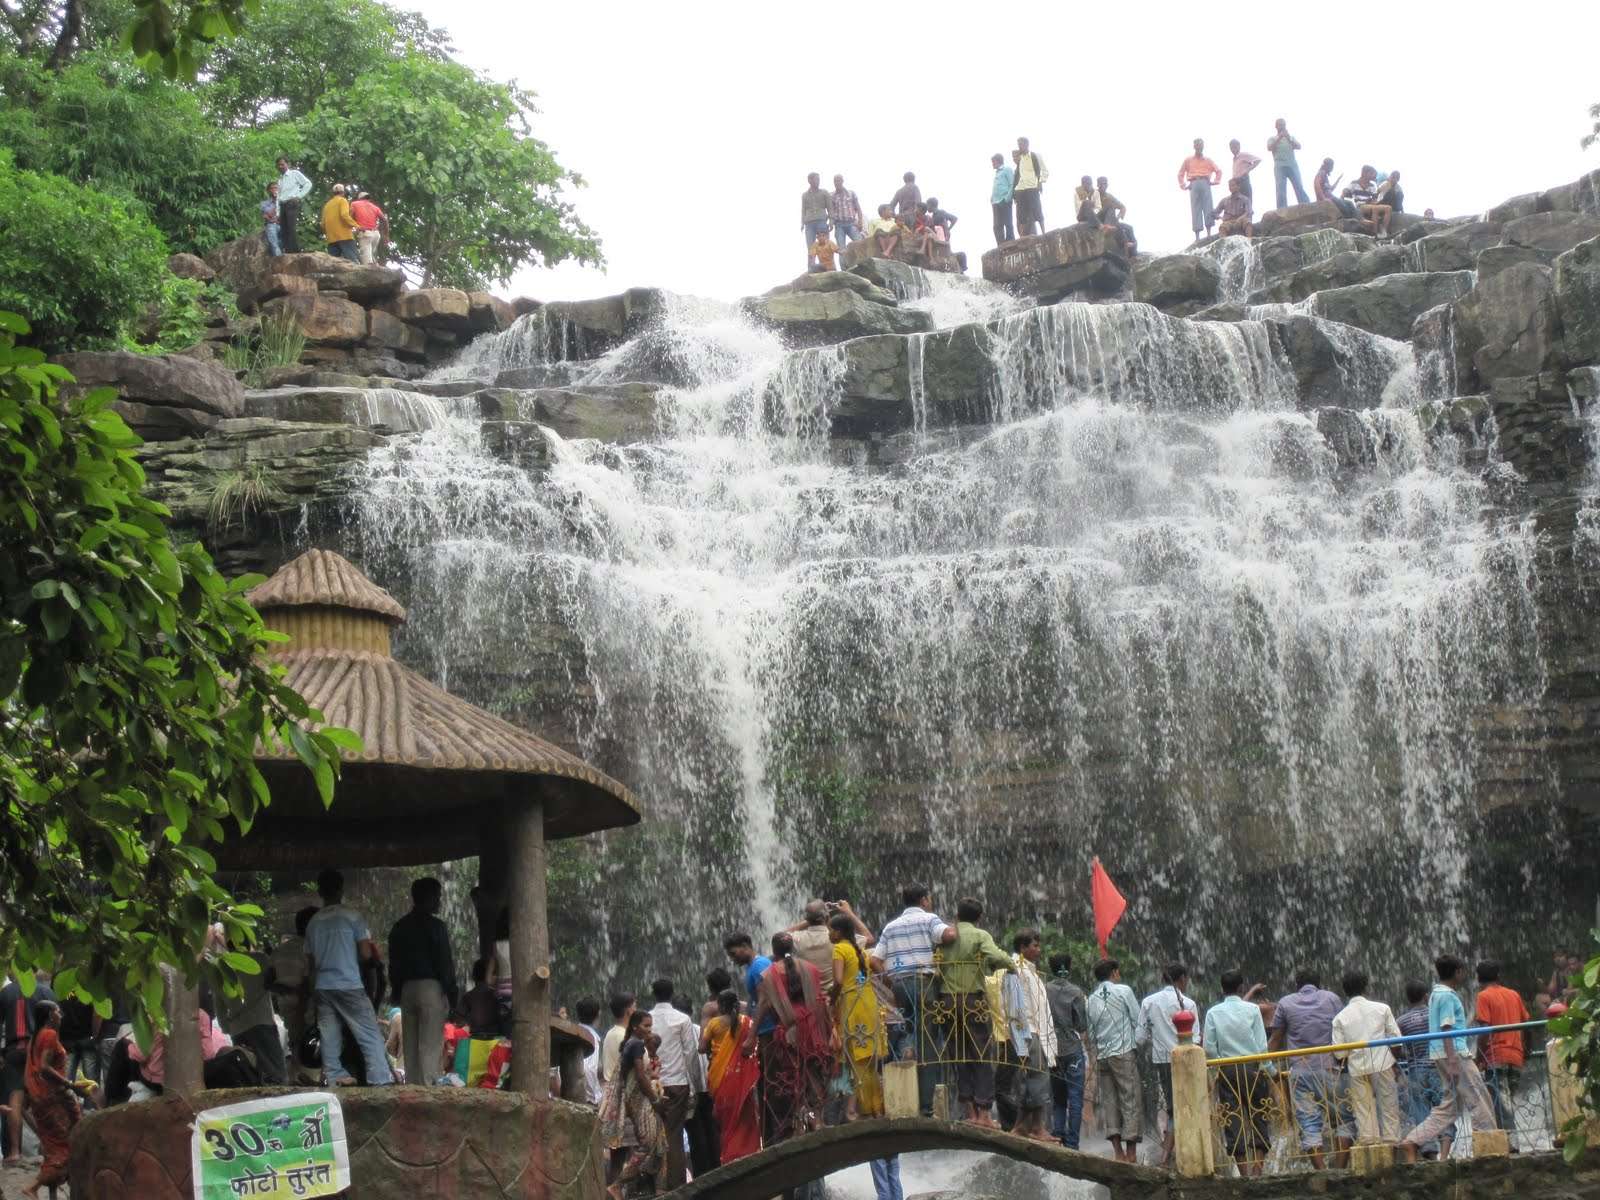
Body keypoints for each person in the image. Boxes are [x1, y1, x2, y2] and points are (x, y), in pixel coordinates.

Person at [1397, 955, 1500, 1163]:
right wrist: (1453, 1060)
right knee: (1479, 1097)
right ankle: (1489, 1148)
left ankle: (1412, 1140)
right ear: (1458, 972)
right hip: (1454, 1054)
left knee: (1448, 1107)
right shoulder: (1447, 996)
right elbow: (1446, 1027)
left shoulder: (1435, 993)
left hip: (1441, 1054)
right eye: (1463, 970)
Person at [871, 883, 956, 1117]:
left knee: (911, 1034)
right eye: (929, 899)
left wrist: (890, 984)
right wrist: (959, 926)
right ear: (924, 900)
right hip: (923, 983)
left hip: (900, 985)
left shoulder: (891, 926)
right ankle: (926, 1107)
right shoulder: (929, 919)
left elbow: (875, 961)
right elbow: (948, 935)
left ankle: (903, 1096)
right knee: (928, 1042)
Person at [305, 868, 392, 1086]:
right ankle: (380, 1078)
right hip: (348, 983)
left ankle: (335, 1077)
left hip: (323, 986)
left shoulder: (313, 922)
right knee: (369, 1032)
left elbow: (310, 963)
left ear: (320, 891)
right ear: (341, 889)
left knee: (330, 1034)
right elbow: (364, 953)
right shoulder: (352, 916)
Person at [746, 932, 834, 1143]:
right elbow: (821, 1000)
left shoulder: (769, 974)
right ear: (794, 947)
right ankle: (817, 1119)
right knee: (813, 1074)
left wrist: (751, 1037)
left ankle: (798, 1126)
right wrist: (831, 1030)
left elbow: (764, 1005)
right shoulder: (810, 969)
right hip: (813, 1030)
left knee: (792, 1080)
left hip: (787, 1033)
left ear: (773, 951)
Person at [934, 898, 1010, 1127]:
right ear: (979, 917)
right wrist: (1015, 966)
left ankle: (970, 1113)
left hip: (945, 1001)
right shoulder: (980, 935)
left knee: (959, 1055)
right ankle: (985, 1113)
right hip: (972, 1001)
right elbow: (997, 957)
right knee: (981, 1055)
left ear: (957, 915)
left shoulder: (945, 936)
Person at [1269, 968, 1352, 1170]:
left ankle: (1322, 1172)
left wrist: (1265, 1066)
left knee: (1308, 1122)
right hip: (1331, 1067)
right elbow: (1343, 1029)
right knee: (1344, 1118)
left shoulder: (1286, 1003)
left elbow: (1276, 1040)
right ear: (1318, 983)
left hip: (1301, 1072)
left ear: (1297, 985)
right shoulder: (1332, 999)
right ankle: (1340, 1171)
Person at [387, 876, 456, 1088]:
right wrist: (452, 993)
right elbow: (444, 963)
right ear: (429, 897)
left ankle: (413, 1088)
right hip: (430, 988)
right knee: (431, 1044)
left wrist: (397, 991)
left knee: (411, 1045)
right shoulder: (437, 927)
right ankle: (429, 1090)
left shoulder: (399, 927)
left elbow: (394, 964)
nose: (440, 901)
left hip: (407, 989)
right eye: (438, 897)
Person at [1204, 969, 1270, 1177]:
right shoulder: (1252, 1010)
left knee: (1232, 1118)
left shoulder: (1213, 1013)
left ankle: (1243, 1173)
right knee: (1259, 1114)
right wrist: (1271, 1070)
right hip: (1252, 1069)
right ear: (1242, 988)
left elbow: (1209, 1047)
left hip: (1228, 1070)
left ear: (1222, 989)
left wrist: (1219, 1064)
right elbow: (1261, 1046)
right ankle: (1258, 1168)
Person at [22, 1001, 90, 1199]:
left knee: (53, 1145)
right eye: (58, 1011)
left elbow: (34, 1069)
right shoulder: (50, 1035)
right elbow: (44, 1066)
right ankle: (34, 1186)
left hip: (40, 1098)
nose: (61, 1015)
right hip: (53, 1097)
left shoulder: (36, 1037)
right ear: (51, 1015)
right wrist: (70, 1085)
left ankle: (53, 1193)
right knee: (66, 1143)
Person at [1138, 964, 1201, 1166]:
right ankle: (1169, 1157)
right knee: (1186, 1106)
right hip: (1187, 1061)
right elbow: (1196, 1038)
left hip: (1163, 1061)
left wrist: (1156, 1037)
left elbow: (1139, 1037)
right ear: (1182, 978)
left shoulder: (1149, 1002)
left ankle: (1172, 1154)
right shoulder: (1188, 1003)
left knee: (1175, 1107)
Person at [1331, 970, 1402, 1145]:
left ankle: (1370, 1142)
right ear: (1366, 987)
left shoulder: (1339, 1018)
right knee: (1389, 1106)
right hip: (1383, 1064)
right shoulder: (1382, 1008)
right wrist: (1395, 1062)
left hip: (1357, 1069)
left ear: (1345, 991)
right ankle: (1391, 1141)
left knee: (1363, 1109)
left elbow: (1339, 1053)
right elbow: (1396, 1040)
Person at [601, 1010, 665, 1200]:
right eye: (646, 1026)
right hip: (640, 1100)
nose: (649, 1030)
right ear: (635, 1026)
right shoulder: (636, 1044)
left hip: (637, 1099)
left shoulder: (634, 1044)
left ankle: (641, 1187)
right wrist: (655, 1100)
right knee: (647, 1144)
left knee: (658, 1142)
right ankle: (616, 1186)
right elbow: (640, 1076)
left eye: (650, 1026)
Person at [830, 911, 887, 1118]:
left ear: (838, 932)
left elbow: (837, 980)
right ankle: (878, 1108)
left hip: (852, 1004)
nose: (829, 934)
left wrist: (831, 999)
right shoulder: (861, 951)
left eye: (830, 930)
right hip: (868, 1002)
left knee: (858, 1061)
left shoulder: (839, 949)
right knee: (870, 1060)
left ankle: (867, 1110)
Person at [1000, 930, 1055, 1142]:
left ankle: (1024, 1127)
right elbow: (1014, 1005)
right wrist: (1022, 1034)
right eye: (1034, 946)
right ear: (1022, 948)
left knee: (1032, 1079)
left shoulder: (1029, 970)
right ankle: (1035, 1128)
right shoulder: (1017, 970)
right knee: (1037, 1078)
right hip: (1027, 1030)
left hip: (1033, 1029)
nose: (1038, 950)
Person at [1086, 958, 1142, 1163]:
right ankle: (1132, 1154)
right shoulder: (1124, 991)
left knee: (1110, 1101)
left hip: (1103, 1056)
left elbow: (1091, 1034)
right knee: (1130, 1099)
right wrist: (1139, 1044)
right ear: (1114, 973)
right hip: (1124, 1052)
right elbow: (1137, 1020)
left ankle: (1118, 1153)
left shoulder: (1091, 999)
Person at [646, 980, 698, 1189]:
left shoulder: (645, 1020)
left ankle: (655, 1183)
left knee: (654, 1134)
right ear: (672, 994)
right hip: (678, 1084)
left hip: (653, 1084)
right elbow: (690, 1055)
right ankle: (676, 1185)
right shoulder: (682, 1019)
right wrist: (695, 1086)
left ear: (653, 994)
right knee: (674, 1134)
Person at [3, 969, 55, 1166]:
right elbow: (56, 1024)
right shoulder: (45, 992)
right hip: (39, 1052)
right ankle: (49, 1147)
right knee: (42, 1101)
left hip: (14, 1051)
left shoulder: (6, 993)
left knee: (15, 1102)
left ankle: (15, 1152)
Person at [701, 989, 760, 1164]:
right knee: (744, 1113)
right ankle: (749, 1152)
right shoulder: (747, 1022)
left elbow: (701, 1048)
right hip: (741, 1076)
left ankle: (728, 1155)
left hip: (719, 1077)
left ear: (719, 1006)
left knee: (724, 1116)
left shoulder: (713, 1024)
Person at [1474, 960, 1529, 1138]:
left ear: (1478, 979)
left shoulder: (1484, 997)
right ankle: (1508, 1140)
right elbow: (1526, 1024)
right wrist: (1525, 1050)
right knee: (1506, 1102)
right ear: (1498, 976)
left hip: (1496, 1057)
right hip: (1516, 1056)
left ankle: (1512, 1145)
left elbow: (1484, 1029)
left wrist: (1479, 1057)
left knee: (1501, 1105)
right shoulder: (1514, 994)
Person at [220, 942, 287, 1085]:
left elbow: (218, 1002)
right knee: (276, 1074)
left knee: (249, 1074)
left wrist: (225, 1026)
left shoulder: (221, 967)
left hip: (237, 1028)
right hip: (262, 1023)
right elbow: (274, 982)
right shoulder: (260, 959)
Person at [1044, 952, 1087, 1150]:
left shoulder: (1044, 989)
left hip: (1052, 1050)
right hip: (1072, 1050)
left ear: (1052, 969)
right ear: (1068, 968)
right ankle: (1073, 1144)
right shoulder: (1076, 992)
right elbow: (1081, 1025)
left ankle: (1057, 1137)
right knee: (1075, 1099)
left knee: (1058, 1098)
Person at [272, 905, 317, 1080]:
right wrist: (302, 1001)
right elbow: (307, 982)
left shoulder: (280, 950)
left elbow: (268, 981)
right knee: (309, 1044)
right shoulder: (310, 949)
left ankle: (296, 1078)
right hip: (304, 1005)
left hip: (286, 1004)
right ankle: (307, 1080)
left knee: (295, 1042)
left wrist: (284, 990)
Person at [1178, 138, 1223, 240]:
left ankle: (1208, 233)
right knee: (1195, 209)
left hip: (1205, 182)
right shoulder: (1188, 160)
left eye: (1201, 144)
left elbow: (1218, 171)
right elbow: (1180, 174)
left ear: (1203, 146)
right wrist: (1184, 185)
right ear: (1194, 146)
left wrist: (1215, 181)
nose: (1199, 146)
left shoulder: (1208, 160)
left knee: (1208, 207)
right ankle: (1197, 236)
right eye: (1197, 144)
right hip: (1193, 183)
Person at [1267, 118, 1310, 208]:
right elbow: (1269, 148)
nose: (1282, 126)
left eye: (1283, 124)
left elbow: (1298, 146)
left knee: (1298, 185)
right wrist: (1279, 138)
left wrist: (1288, 138)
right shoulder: (1272, 138)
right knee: (1280, 189)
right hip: (1279, 166)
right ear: (1276, 126)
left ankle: (1306, 205)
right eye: (1280, 124)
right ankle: (1282, 209)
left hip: (1292, 165)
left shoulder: (1290, 137)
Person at [1012, 137, 1048, 237]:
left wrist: (1040, 182)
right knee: (1021, 214)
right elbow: (1017, 175)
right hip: (1021, 189)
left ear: (1027, 144)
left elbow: (1044, 171)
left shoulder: (1035, 156)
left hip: (1032, 186)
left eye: (1021, 144)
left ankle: (1044, 232)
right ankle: (1022, 236)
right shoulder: (1019, 159)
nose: (1019, 147)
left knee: (1037, 210)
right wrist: (1015, 192)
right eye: (1018, 144)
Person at [275, 157, 312, 253]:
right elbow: (278, 197)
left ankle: (294, 251)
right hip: (282, 204)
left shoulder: (294, 174)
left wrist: (299, 196)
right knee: (284, 229)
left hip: (291, 203)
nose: (280, 166)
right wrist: (277, 213)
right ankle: (287, 251)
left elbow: (308, 184)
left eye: (282, 164)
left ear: (288, 164)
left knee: (291, 227)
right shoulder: (280, 180)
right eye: (279, 165)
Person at [1344, 166, 1393, 237]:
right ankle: (1374, 233)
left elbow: (1374, 199)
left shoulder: (1372, 185)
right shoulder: (1354, 183)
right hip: (1360, 206)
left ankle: (1383, 231)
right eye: (1372, 174)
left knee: (1388, 208)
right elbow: (1345, 192)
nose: (1374, 177)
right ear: (1365, 173)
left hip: (1371, 205)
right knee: (1375, 208)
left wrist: (1377, 201)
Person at [1094, 177, 1137, 257]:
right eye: (1101, 184)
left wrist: (1118, 217)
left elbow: (1123, 207)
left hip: (1111, 221)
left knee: (1129, 228)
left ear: (1107, 185)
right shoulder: (1094, 195)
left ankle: (1133, 253)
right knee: (1110, 207)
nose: (1103, 185)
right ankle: (1107, 228)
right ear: (1098, 185)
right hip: (1099, 220)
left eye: (1105, 184)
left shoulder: (1109, 196)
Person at [321, 184, 360, 263]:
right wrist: (357, 226)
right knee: (353, 261)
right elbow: (344, 215)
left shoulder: (327, 205)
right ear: (343, 192)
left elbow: (322, 223)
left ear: (333, 193)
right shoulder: (342, 200)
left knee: (333, 263)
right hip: (344, 236)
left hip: (331, 238)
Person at [801, 172, 832, 269]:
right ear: (809, 180)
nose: (818, 181)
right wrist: (802, 222)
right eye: (816, 179)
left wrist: (831, 221)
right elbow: (803, 210)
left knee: (826, 245)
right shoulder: (805, 195)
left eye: (818, 179)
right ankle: (811, 268)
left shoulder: (824, 192)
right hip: (809, 223)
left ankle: (829, 267)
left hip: (821, 221)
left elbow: (830, 208)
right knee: (811, 247)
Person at [350, 191, 388, 265]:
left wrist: (353, 230)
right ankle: (377, 270)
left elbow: (349, 218)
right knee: (371, 256)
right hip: (376, 235)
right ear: (368, 199)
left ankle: (370, 273)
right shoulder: (375, 207)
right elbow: (384, 220)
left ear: (359, 199)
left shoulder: (354, 204)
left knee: (367, 262)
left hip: (365, 234)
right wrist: (386, 235)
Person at [830, 175, 864, 249]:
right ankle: (843, 261)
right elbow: (831, 211)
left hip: (851, 223)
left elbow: (858, 209)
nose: (837, 183)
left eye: (838, 180)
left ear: (842, 181)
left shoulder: (851, 193)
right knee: (841, 248)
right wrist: (831, 223)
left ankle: (863, 260)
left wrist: (860, 221)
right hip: (839, 225)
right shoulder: (831, 195)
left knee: (860, 243)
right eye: (835, 181)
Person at [990, 152, 1016, 245]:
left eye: (993, 162)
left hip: (1004, 200)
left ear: (997, 161)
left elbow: (1012, 184)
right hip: (996, 202)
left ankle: (1011, 242)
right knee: (997, 225)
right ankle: (1001, 245)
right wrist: (992, 198)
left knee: (1008, 223)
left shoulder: (1007, 169)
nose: (992, 164)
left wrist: (1007, 198)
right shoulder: (997, 172)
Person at [1229, 139, 1262, 203]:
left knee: (1246, 200)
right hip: (1235, 182)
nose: (1233, 149)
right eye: (1231, 148)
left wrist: (1247, 170)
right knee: (1237, 203)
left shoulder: (1243, 155)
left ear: (1239, 146)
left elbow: (1258, 160)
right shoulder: (1234, 158)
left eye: (1234, 147)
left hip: (1243, 180)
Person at [261, 181, 283, 257]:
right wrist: (276, 201)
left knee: (283, 244)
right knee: (274, 243)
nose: (274, 189)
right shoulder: (264, 203)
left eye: (276, 188)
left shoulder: (284, 201)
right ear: (269, 191)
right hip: (271, 224)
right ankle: (279, 260)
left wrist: (279, 201)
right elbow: (268, 215)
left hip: (282, 225)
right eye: (272, 188)